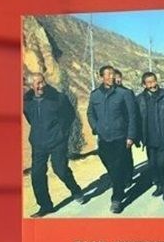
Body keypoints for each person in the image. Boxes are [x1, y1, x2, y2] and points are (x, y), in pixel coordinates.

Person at [23, 73, 84, 217]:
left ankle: (75, 189)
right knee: (37, 175)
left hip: (57, 141)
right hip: (38, 143)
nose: (41, 86)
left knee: (60, 169)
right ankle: (45, 206)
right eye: (37, 83)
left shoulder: (58, 98)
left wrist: (62, 133)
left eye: (42, 82)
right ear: (31, 86)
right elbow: (30, 118)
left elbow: (70, 115)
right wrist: (38, 131)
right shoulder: (26, 101)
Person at [87, 65, 137, 213]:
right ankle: (119, 180)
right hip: (103, 138)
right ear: (101, 77)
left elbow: (132, 116)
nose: (111, 77)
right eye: (108, 74)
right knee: (110, 166)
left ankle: (117, 199)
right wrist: (96, 127)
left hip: (120, 137)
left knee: (117, 167)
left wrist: (131, 136)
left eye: (113, 74)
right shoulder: (95, 95)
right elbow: (90, 113)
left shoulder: (124, 93)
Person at [137, 72, 164, 201]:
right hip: (149, 139)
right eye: (149, 83)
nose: (152, 85)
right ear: (144, 85)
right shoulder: (139, 99)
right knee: (153, 165)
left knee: (163, 164)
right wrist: (137, 137)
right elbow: (137, 120)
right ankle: (159, 185)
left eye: (154, 81)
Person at [113, 68, 138, 187]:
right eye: (115, 78)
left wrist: (131, 134)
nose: (117, 80)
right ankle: (119, 177)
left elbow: (133, 113)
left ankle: (128, 177)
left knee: (126, 155)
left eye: (119, 77)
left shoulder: (127, 92)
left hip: (125, 130)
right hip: (113, 131)